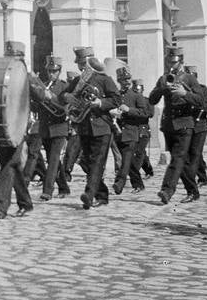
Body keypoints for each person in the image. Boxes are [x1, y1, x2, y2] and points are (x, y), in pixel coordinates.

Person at [63, 47, 121, 210]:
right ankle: (102, 194)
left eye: (83, 63)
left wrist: (100, 103)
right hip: (84, 126)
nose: (81, 68)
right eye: (80, 64)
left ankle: (89, 194)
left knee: (96, 162)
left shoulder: (104, 79)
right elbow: (64, 95)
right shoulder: (76, 81)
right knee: (87, 162)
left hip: (101, 126)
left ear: (90, 62)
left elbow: (117, 99)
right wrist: (68, 97)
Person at [148, 44, 206, 205]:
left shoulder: (190, 79)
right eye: (169, 62)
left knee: (178, 158)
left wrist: (185, 93)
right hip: (169, 125)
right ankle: (193, 191)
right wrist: (161, 88)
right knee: (181, 160)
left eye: (174, 62)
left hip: (185, 124)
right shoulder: (163, 78)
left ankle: (167, 190)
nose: (171, 65)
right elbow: (152, 100)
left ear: (181, 62)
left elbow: (202, 101)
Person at [0, 41, 33, 220]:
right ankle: (25, 202)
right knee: (11, 165)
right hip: (2, 127)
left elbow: (42, 95)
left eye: (15, 57)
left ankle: (1, 207)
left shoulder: (27, 76)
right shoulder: (1, 75)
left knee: (8, 165)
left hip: (19, 128)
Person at [30, 53, 71, 201]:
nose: (51, 74)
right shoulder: (42, 85)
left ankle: (47, 191)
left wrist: (50, 98)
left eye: (54, 71)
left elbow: (63, 107)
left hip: (59, 128)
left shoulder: (65, 87)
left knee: (53, 159)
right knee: (54, 161)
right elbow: (36, 107)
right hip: (45, 128)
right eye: (49, 71)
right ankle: (64, 188)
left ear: (59, 71)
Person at [112, 64, 153, 195]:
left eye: (128, 79)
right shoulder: (116, 96)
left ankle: (119, 182)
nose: (127, 82)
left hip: (131, 133)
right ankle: (138, 184)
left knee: (125, 160)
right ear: (119, 81)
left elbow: (145, 113)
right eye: (124, 79)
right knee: (128, 162)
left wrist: (129, 110)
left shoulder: (136, 96)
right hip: (118, 133)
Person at [183, 65, 207, 190]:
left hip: (200, 125)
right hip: (187, 125)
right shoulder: (182, 91)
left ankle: (195, 179)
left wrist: (200, 106)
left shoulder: (203, 89)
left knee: (196, 152)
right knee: (192, 153)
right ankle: (202, 177)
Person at [132, 79, 155, 185]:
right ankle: (149, 170)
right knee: (140, 152)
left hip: (143, 129)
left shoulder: (147, 101)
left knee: (139, 152)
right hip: (132, 129)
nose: (137, 90)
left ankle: (134, 171)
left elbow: (150, 113)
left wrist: (137, 113)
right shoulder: (131, 101)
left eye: (139, 88)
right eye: (135, 88)